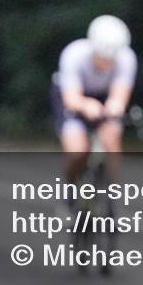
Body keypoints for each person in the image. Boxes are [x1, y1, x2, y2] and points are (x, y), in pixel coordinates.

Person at [50, 15, 136, 190]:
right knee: (77, 151)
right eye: (103, 58)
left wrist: (115, 107)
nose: (108, 64)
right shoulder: (73, 54)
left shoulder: (127, 58)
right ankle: (69, 192)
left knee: (111, 138)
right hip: (73, 96)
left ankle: (111, 191)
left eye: (112, 60)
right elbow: (71, 98)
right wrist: (84, 105)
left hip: (103, 96)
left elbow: (120, 94)